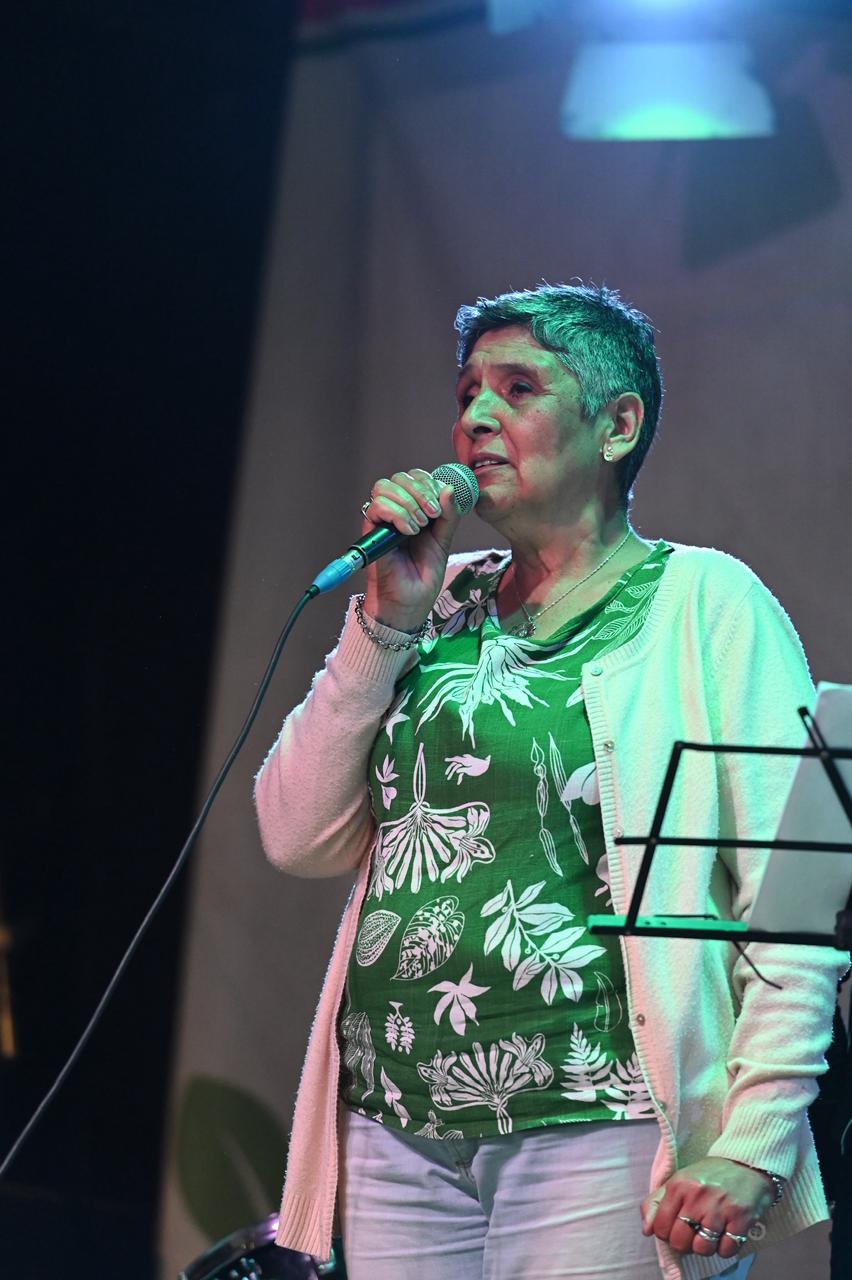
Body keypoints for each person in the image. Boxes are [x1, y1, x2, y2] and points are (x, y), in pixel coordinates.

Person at [254, 282, 846, 1280]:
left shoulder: (706, 602)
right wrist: (382, 625)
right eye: (467, 394)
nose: (476, 417)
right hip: (397, 1123)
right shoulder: (437, 599)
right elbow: (294, 833)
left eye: (518, 389)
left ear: (617, 425)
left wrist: (755, 1139)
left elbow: (795, 901)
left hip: (602, 1121)